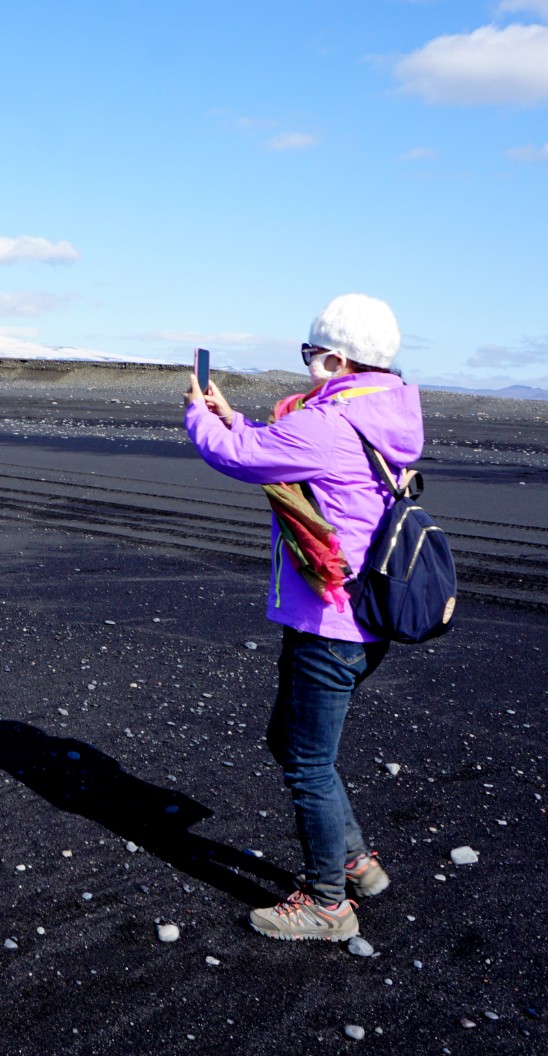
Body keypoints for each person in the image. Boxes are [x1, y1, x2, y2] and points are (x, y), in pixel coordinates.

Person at [182, 293, 424, 943]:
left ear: (337, 359)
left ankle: (328, 903)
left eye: (310, 354)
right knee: (293, 744)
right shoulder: (381, 413)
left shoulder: (330, 424)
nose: (307, 364)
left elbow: (240, 458)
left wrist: (197, 416)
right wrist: (232, 416)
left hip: (329, 624)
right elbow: (273, 447)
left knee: (305, 762)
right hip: (367, 619)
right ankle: (355, 862)